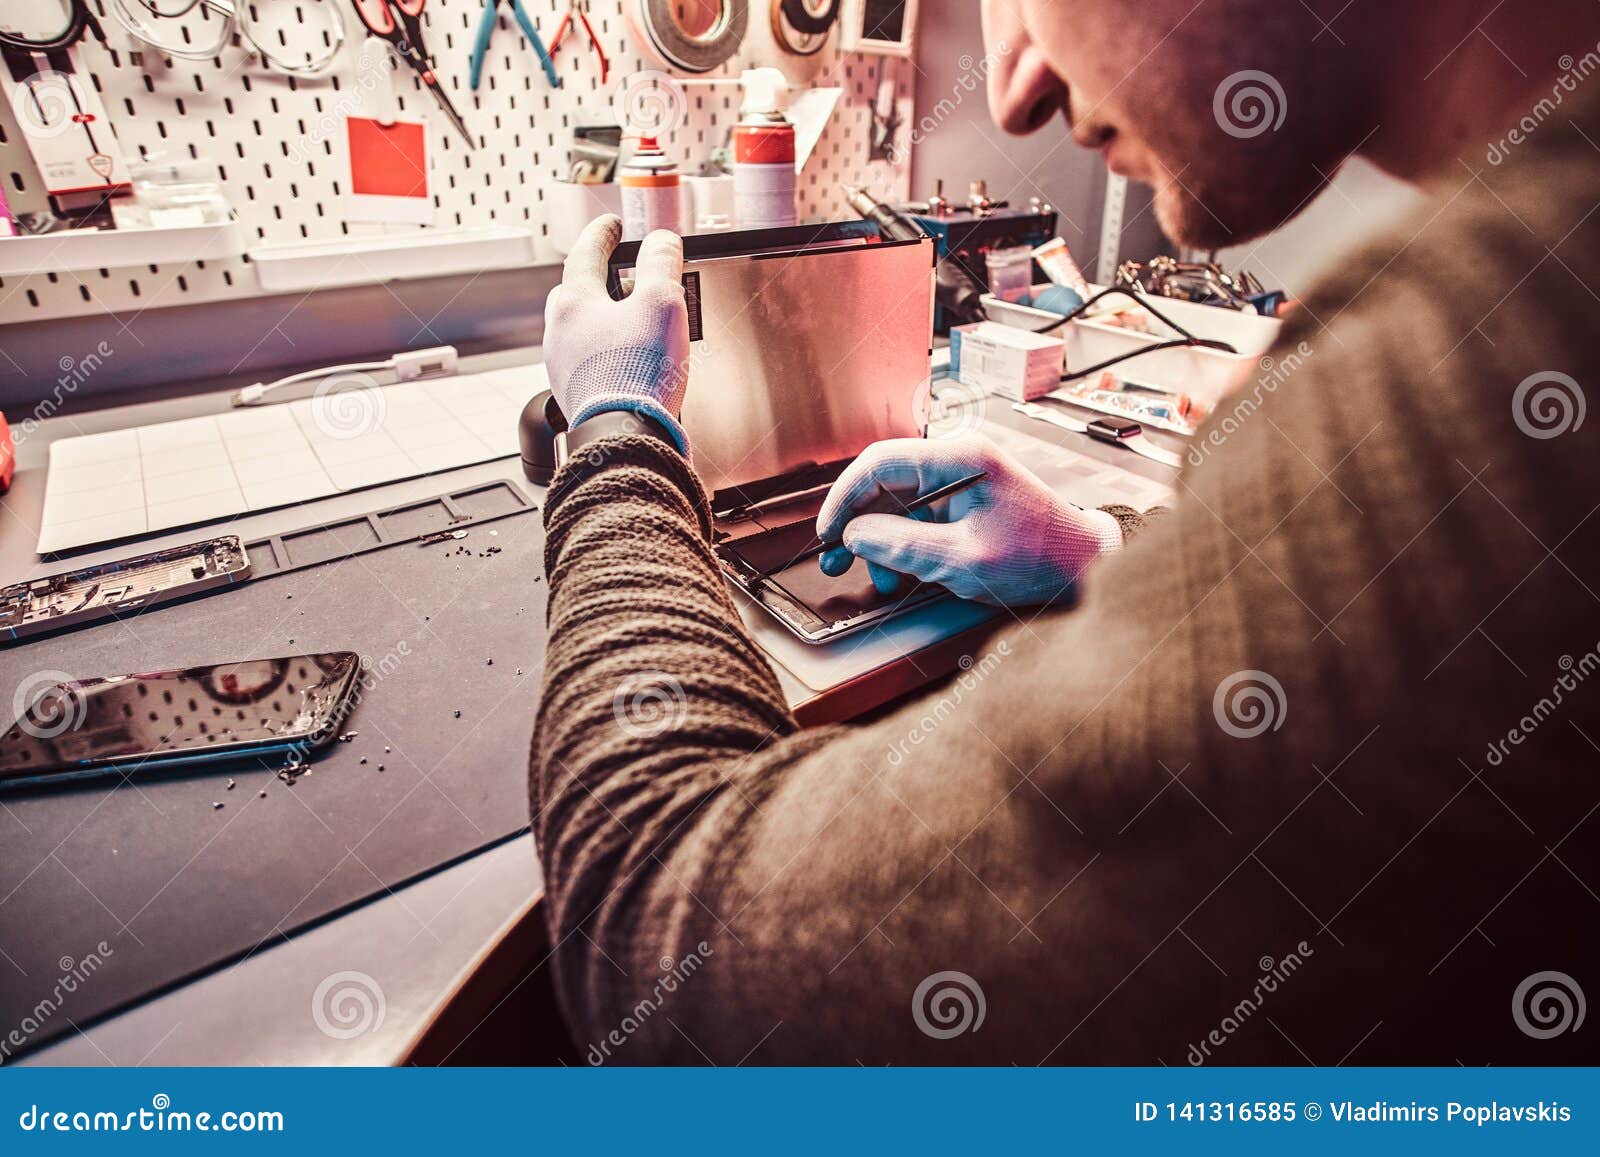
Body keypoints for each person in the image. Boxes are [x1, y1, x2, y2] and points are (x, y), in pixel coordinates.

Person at [530, 0, 1600, 1064]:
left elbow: (654, 932)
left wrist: (621, 431)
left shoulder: (1497, 372)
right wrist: (1113, 557)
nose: (1012, 85)